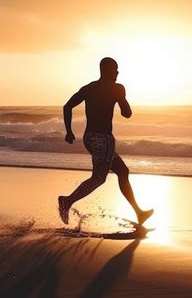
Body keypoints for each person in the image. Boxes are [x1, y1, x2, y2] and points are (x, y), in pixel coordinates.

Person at [58, 57, 154, 226]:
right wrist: (122, 97)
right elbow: (127, 113)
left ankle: (139, 213)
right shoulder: (117, 88)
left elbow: (67, 106)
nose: (117, 72)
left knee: (122, 171)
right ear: (108, 70)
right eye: (116, 69)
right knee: (99, 178)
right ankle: (67, 201)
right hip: (103, 139)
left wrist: (69, 132)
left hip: (89, 138)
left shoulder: (88, 88)